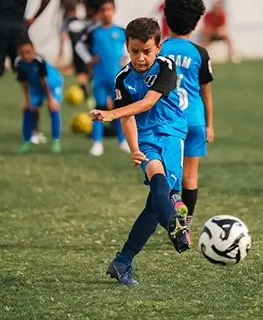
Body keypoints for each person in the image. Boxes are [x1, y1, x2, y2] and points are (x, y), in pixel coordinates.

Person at [89, 17, 190, 286]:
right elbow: (129, 119)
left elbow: (147, 103)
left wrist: (110, 112)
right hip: (145, 138)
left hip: (170, 134)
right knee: (158, 184)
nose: (141, 58)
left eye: (146, 51)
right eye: (135, 51)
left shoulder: (166, 67)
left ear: (158, 47)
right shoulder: (122, 78)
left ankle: (123, 261)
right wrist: (134, 148)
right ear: (127, 47)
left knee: (154, 206)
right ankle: (175, 224)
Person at [160, 0, 214, 245]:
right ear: (196, 22)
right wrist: (209, 125)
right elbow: (206, 92)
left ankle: (172, 213)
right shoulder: (200, 53)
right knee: (190, 178)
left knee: (166, 177)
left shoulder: (158, 50)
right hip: (194, 121)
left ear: (166, 19)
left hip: (167, 122)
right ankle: (186, 226)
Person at [76, 0, 129, 156]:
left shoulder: (121, 31)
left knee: (119, 109)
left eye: (109, 9)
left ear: (114, 10)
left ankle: (122, 141)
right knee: (99, 108)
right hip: (99, 77)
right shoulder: (94, 31)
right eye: (103, 10)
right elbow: (79, 46)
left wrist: (125, 58)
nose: (106, 13)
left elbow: (130, 46)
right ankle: (97, 142)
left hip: (117, 78)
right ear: (100, 12)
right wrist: (88, 60)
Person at [0, 0, 51, 147]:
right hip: (10, 29)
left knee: (32, 81)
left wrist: (34, 17)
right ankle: (34, 131)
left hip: (4, 30)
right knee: (31, 82)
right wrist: (34, 17)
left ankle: (34, 130)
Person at [14, 39, 63, 154]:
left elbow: (44, 80)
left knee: (53, 108)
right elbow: (24, 82)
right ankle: (26, 143)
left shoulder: (39, 61)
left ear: (33, 50)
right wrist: (27, 99)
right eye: (22, 53)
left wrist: (50, 99)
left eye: (28, 52)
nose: (26, 56)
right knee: (28, 109)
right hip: (36, 87)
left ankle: (56, 142)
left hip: (52, 85)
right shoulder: (19, 63)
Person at [58, 0, 91, 101]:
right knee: (88, 72)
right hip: (87, 51)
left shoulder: (66, 22)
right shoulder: (83, 21)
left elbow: (63, 37)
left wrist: (61, 51)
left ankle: (85, 93)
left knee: (80, 73)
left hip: (77, 52)